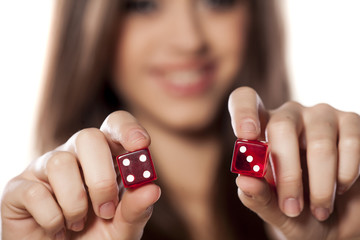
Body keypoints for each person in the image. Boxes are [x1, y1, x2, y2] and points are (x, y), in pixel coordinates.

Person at [2, 0, 360, 239]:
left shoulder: (306, 205)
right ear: (89, 27)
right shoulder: (61, 223)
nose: (189, 41)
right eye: (143, 3)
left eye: (216, 0)